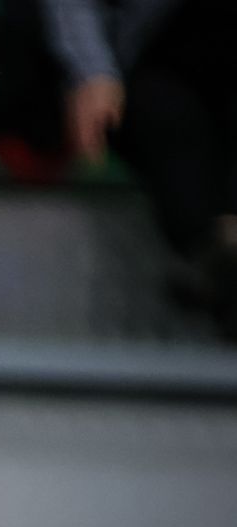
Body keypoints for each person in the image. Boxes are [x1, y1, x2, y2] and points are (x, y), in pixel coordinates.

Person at [41, 0, 237, 339]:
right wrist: (93, 71)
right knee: (169, 121)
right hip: (153, 68)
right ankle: (217, 245)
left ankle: (222, 250)